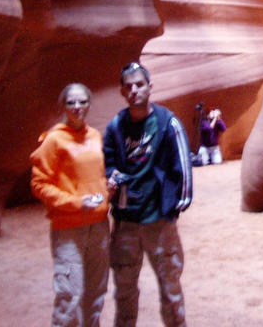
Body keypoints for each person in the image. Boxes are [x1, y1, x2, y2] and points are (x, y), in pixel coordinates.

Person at [103, 61, 193, 327]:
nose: (134, 90)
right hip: (125, 223)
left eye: (139, 84)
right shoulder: (116, 127)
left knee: (170, 287)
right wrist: (112, 178)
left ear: (150, 87)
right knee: (125, 290)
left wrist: (175, 207)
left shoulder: (167, 123)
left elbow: (182, 165)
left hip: (159, 222)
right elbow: (108, 161)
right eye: (128, 86)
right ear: (121, 91)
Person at [30, 83, 111, 327]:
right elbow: (39, 184)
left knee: (96, 294)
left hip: (98, 226)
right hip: (68, 229)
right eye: (71, 102)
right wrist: (76, 203)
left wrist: (108, 191)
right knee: (70, 294)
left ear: (88, 104)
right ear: (63, 106)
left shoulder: (95, 136)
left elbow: (98, 176)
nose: (77, 107)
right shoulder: (54, 140)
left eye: (82, 102)